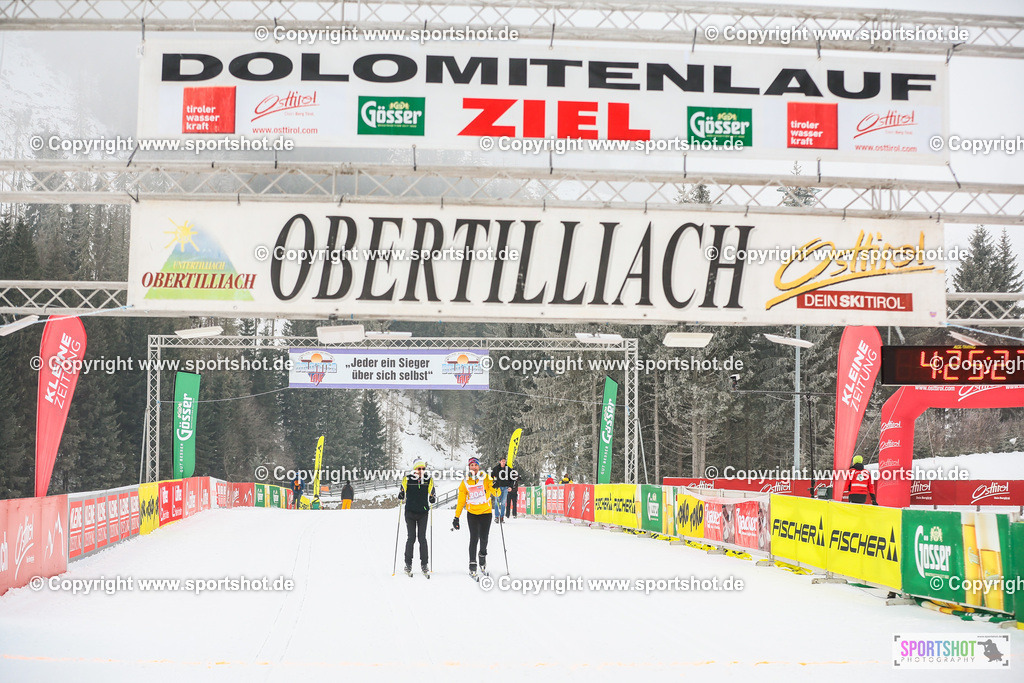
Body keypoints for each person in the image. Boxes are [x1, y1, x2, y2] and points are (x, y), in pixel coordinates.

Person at [452, 457, 499, 577]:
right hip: (472, 513)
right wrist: (456, 517)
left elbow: (496, 493)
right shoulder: (465, 482)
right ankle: (472, 564)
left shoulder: (486, 478)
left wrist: (496, 486)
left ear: (478, 467)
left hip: (486, 512)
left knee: (484, 538)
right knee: (474, 538)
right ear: (469, 467)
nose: (474, 467)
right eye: (471, 465)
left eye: (475, 465)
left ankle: (482, 556)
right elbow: (461, 501)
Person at [397, 461, 435, 576]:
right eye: (419, 468)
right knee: (411, 538)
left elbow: (432, 492)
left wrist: (432, 498)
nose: (421, 471)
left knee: (422, 538)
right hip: (410, 512)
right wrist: (401, 495)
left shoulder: (428, 479)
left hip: (423, 512)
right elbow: (402, 490)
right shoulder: (407, 479)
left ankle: (424, 564)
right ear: (414, 469)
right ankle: (408, 564)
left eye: (423, 468)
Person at [491, 455, 515, 523]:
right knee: (496, 503)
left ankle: (502, 517)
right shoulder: (496, 469)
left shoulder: (508, 469)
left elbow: (512, 479)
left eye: (504, 461)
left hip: (505, 488)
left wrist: (510, 487)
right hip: (498, 488)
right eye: (502, 461)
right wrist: (493, 484)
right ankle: (496, 517)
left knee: (503, 503)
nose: (503, 462)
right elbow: (491, 477)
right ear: (500, 462)